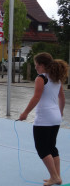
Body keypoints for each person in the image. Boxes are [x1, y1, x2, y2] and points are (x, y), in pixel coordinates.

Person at [19, 52, 67, 186]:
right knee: (51, 147)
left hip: (44, 118)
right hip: (55, 117)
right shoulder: (56, 78)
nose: (35, 68)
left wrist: (25, 113)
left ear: (42, 65)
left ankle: (54, 177)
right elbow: (62, 98)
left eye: (36, 65)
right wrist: (60, 112)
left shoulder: (41, 78)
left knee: (42, 148)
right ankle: (56, 177)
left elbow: (36, 97)